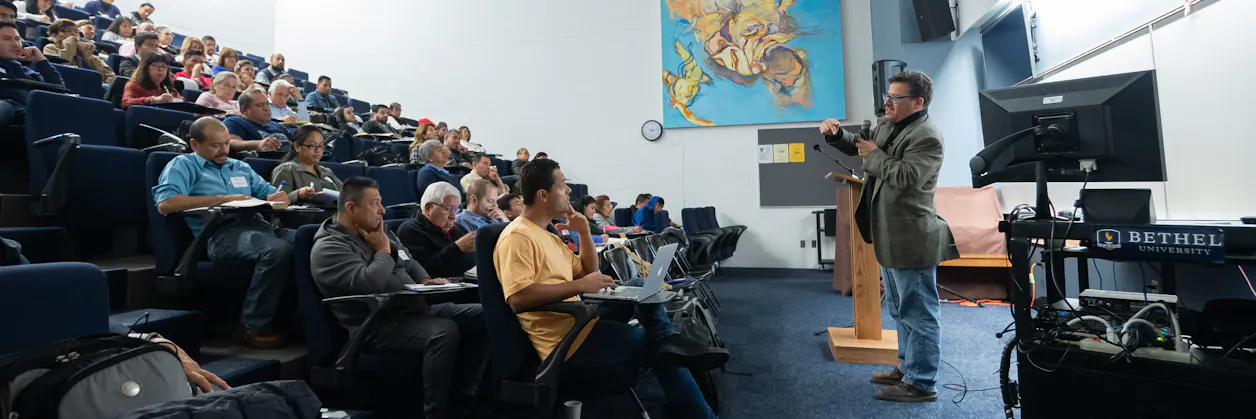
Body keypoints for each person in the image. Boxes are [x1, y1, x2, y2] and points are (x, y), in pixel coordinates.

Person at [494, 158, 727, 419]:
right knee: (662, 350)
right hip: (567, 343)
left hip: (582, 322)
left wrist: (582, 233)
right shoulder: (518, 237)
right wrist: (581, 285)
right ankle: (686, 375)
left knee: (639, 285)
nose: (569, 191)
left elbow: (587, 272)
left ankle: (669, 339)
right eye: (562, 185)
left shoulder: (547, 235)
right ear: (542, 195)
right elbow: (518, 297)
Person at [819, 70, 957, 403]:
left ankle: (922, 383)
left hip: (913, 236)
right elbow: (860, 146)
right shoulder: (888, 123)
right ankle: (908, 367)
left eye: (895, 98)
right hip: (888, 232)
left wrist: (873, 154)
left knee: (919, 312)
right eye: (888, 96)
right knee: (898, 308)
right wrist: (838, 135)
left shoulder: (927, 136)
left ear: (918, 102)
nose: (887, 102)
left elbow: (907, 176)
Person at [311, 177, 488, 419]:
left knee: (485, 315)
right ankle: (436, 412)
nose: (382, 210)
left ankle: (466, 397)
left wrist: (426, 281)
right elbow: (367, 283)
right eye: (374, 204)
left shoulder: (379, 231)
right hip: (376, 324)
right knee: (442, 331)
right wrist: (383, 251)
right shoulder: (329, 247)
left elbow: (408, 261)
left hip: (413, 310)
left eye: (381, 202)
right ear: (351, 209)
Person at [152, 117, 292, 349]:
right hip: (220, 233)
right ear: (195, 145)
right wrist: (224, 199)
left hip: (259, 226)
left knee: (310, 241)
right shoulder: (183, 165)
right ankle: (251, 325)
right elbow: (166, 204)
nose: (224, 150)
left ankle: (294, 319)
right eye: (216, 145)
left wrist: (279, 197)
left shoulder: (239, 167)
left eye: (226, 143)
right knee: (276, 251)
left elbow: (269, 194)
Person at [397, 182, 476, 279]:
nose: (453, 216)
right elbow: (423, 271)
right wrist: (457, 247)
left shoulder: (458, 229)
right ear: (428, 208)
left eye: (456, 210)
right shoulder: (410, 230)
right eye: (448, 209)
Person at [0, 21, 63, 116]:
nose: (15, 44)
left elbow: (58, 89)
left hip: (30, 114)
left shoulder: (21, 69)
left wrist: (41, 61)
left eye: (17, 39)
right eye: (7, 39)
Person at [270, 125, 335, 206]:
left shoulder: (326, 172)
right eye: (312, 146)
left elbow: (346, 194)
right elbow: (276, 202)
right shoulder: (287, 169)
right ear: (297, 146)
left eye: (321, 146)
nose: (318, 150)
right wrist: (298, 194)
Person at [42, 18, 113, 83]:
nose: (73, 34)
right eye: (68, 31)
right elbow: (62, 68)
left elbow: (110, 75)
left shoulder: (88, 52)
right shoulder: (50, 48)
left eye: (76, 32)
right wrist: (69, 44)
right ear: (54, 35)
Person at [223, 87, 288, 154]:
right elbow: (230, 142)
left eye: (267, 104)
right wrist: (257, 144)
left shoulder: (279, 126)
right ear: (244, 110)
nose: (266, 108)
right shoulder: (234, 122)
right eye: (259, 105)